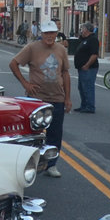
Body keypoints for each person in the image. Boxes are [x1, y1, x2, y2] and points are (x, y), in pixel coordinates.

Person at [10, 20, 70, 176]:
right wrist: (25, 83)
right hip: (37, 98)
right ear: (41, 34)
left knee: (55, 133)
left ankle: (52, 165)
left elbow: (65, 73)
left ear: (56, 34)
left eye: (52, 33)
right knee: (33, 132)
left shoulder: (61, 49)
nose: (49, 36)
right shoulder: (32, 48)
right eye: (46, 33)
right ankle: (30, 163)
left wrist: (67, 98)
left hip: (57, 97)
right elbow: (14, 63)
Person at [73, 23, 99, 113]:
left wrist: (87, 65)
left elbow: (94, 54)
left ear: (87, 30)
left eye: (82, 29)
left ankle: (90, 106)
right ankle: (84, 105)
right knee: (81, 87)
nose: (81, 30)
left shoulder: (93, 40)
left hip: (89, 68)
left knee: (88, 87)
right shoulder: (85, 39)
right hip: (82, 68)